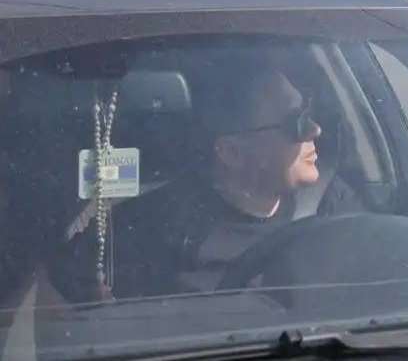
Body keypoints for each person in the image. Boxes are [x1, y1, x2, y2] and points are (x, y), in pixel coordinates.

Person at [51, 65, 360, 300]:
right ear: (232, 152)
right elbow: (55, 288)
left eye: (309, 113)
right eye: (296, 123)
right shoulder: (152, 226)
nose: (315, 130)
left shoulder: (332, 203)